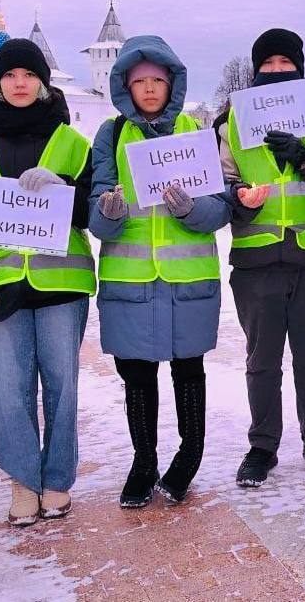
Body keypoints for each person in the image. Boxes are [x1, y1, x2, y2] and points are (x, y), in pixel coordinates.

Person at [0, 38, 95, 526]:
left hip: (60, 283)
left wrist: (64, 191)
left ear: (43, 83)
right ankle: (22, 480)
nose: (20, 83)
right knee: (8, 388)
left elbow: (90, 212)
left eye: (29, 75)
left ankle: (56, 479)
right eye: (10, 75)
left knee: (62, 385)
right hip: (0, 284)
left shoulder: (73, 143)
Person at [90, 35, 231, 507]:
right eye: (139, 82)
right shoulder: (111, 135)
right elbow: (96, 216)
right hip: (130, 283)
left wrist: (191, 208)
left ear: (172, 83)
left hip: (187, 281)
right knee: (136, 375)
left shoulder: (194, 131)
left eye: (157, 80)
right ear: (124, 87)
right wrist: (108, 211)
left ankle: (189, 456)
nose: (149, 89)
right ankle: (144, 461)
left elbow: (219, 210)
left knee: (189, 370)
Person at [218, 28, 305, 488]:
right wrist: (241, 199)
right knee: (262, 360)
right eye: (268, 64)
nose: (277, 71)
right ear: (255, 71)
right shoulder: (231, 123)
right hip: (257, 260)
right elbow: (222, 184)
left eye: (286, 63)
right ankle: (262, 445)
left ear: (300, 69)